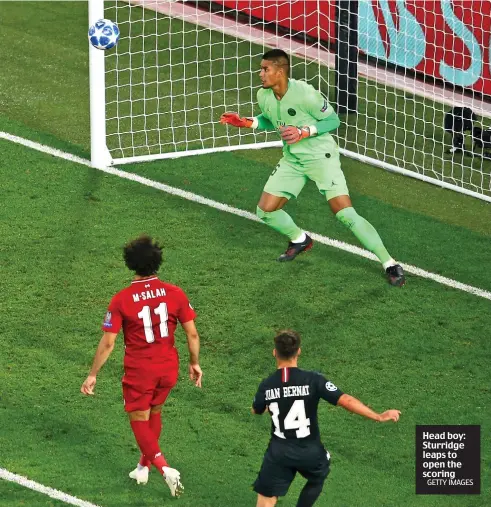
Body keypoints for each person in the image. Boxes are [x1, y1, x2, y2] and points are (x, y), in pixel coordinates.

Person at [220, 49, 405, 286]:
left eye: (265, 69)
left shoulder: (305, 93)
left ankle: (390, 263)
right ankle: (300, 239)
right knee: (265, 211)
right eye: (261, 69)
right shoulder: (263, 95)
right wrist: (246, 122)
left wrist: (303, 132)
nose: (261, 74)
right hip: (293, 159)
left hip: (321, 157)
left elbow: (333, 120)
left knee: (345, 214)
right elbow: (270, 118)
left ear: (280, 70)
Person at [81, 235, 203, 498]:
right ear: (157, 262)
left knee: (139, 418)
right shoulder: (175, 293)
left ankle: (164, 468)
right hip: (168, 366)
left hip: (140, 370)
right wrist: (194, 363)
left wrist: (92, 374)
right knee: (154, 412)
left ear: (130, 264)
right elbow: (192, 334)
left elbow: (108, 343)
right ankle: (142, 467)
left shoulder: (121, 300)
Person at [251, 330, 400, 507]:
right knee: (319, 474)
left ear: (274, 352)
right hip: (310, 452)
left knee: (266, 498)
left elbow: (256, 410)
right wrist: (378, 416)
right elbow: (346, 400)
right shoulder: (313, 380)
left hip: (279, 452)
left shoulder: (267, 385)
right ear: (299, 351)